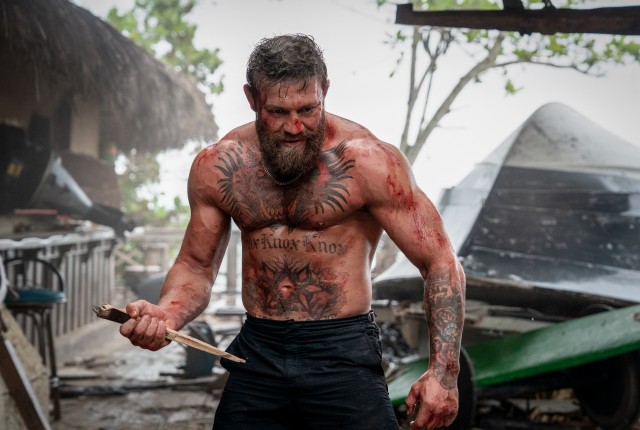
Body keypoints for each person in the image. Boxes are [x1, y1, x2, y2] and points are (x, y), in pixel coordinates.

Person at [119, 33, 466, 430]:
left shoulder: (370, 163)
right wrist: (167, 314)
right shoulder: (219, 166)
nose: (295, 126)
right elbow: (196, 267)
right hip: (259, 348)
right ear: (252, 99)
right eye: (278, 111)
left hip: (342, 349)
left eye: (308, 108)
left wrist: (444, 373)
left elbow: (440, 262)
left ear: (325, 91)